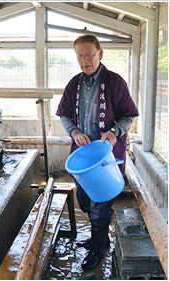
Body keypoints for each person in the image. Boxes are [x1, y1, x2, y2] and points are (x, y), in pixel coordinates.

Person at [56, 34, 139, 271]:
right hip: (83, 159)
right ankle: (100, 238)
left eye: (89, 54)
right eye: (80, 55)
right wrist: (73, 131)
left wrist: (114, 131)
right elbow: (64, 114)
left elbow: (129, 115)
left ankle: (97, 250)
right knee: (83, 199)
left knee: (100, 205)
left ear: (100, 54)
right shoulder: (74, 84)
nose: (84, 60)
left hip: (105, 158)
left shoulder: (115, 82)